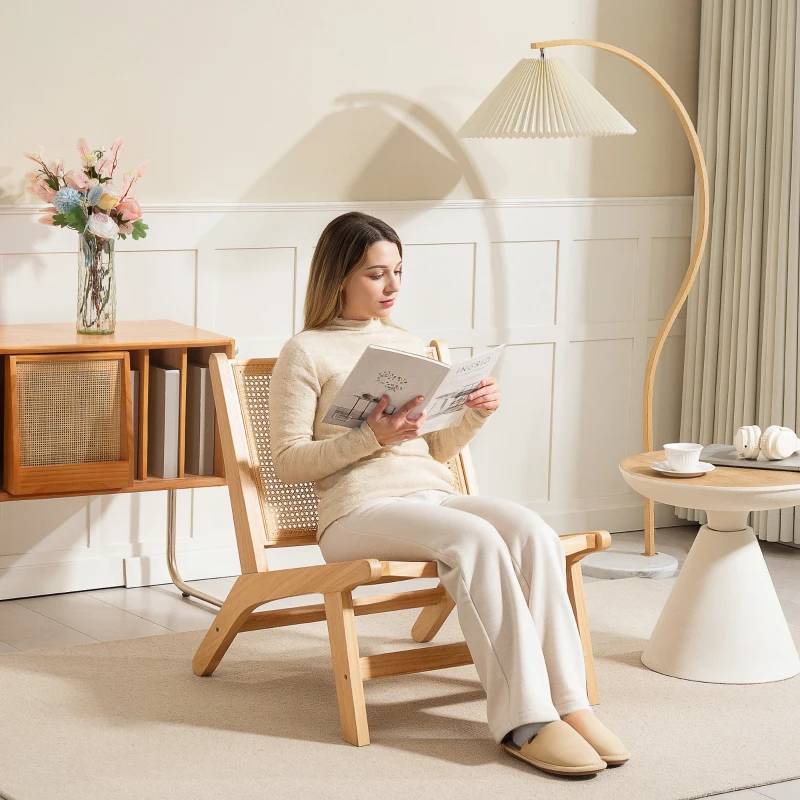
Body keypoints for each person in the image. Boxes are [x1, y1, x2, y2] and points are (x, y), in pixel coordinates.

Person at [268, 211, 630, 777]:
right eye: (374, 274)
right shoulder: (305, 351)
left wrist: (474, 415)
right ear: (338, 276)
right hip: (356, 512)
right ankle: (525, 721)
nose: (392, 287)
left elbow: (435, 450)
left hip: (429, 496)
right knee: (475, 539)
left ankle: (569, 703)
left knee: (533, 531)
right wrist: (370, 438)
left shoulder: (407, 344)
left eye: (397, 272)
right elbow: (289, 463)